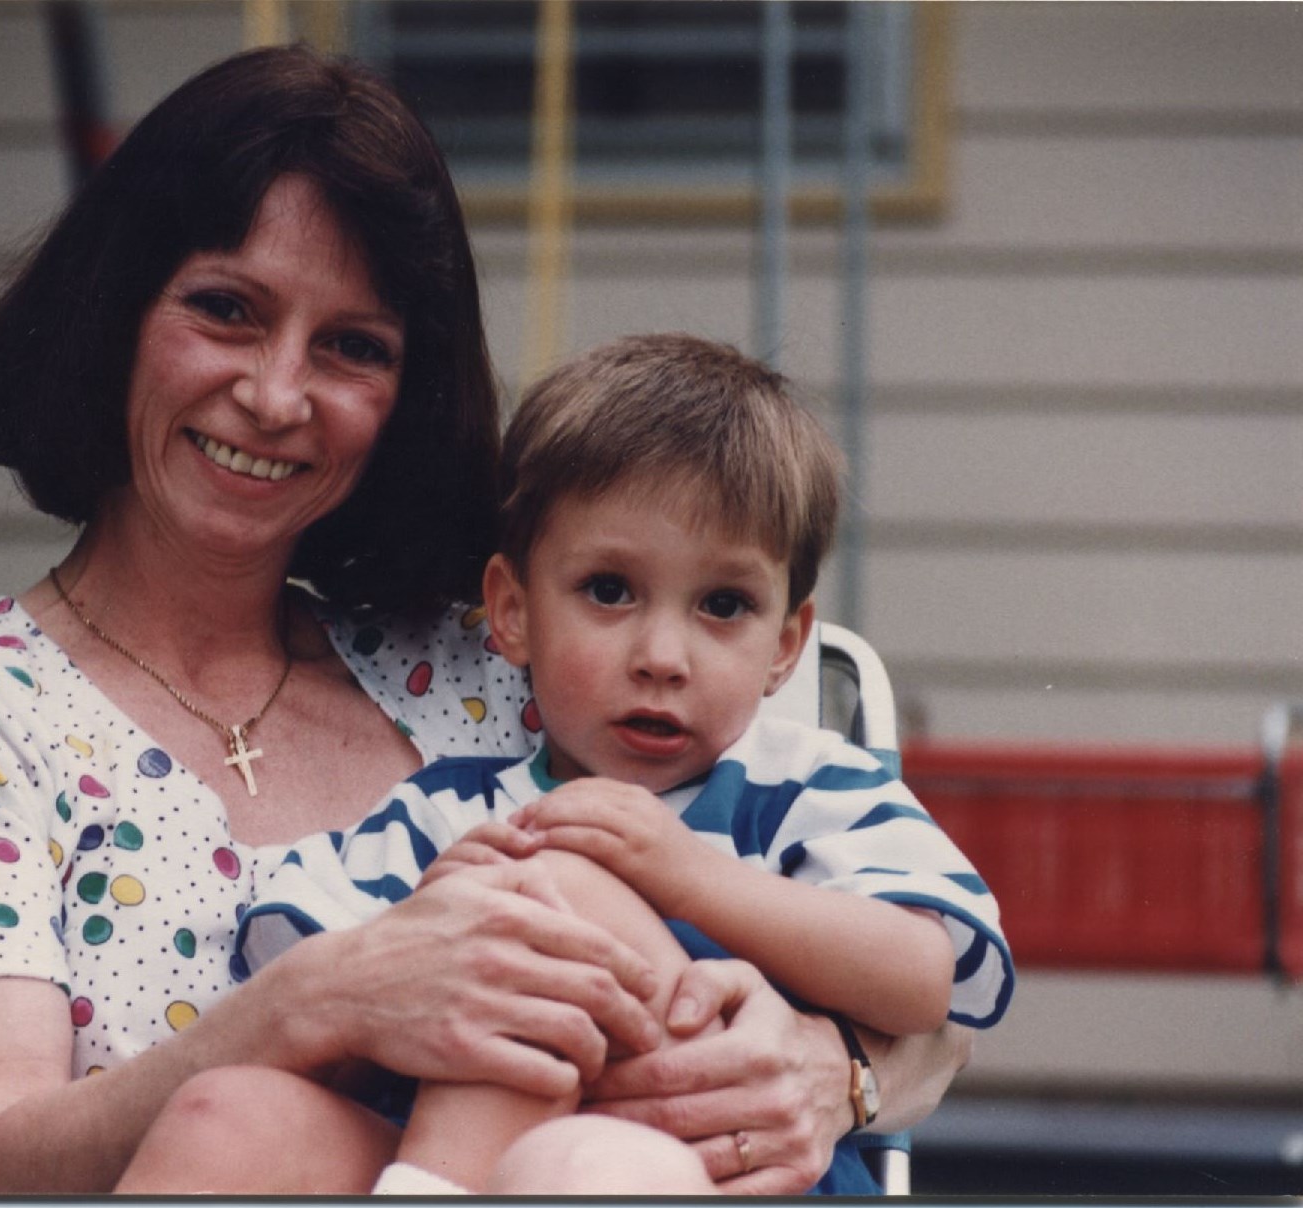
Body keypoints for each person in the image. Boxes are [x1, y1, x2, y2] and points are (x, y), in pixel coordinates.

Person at [0, 45, 974, 1195]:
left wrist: (835, 1073)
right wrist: (312, 1003)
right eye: (226, 309)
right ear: (114, 313)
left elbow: (928, 985)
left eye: (352, 347)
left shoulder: (509, 664)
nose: (275, 395)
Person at [120, 334, 1014, 1195]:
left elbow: (922, 976)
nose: (663, 656)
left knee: (558, 906)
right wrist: (435, 927)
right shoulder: (445, 817)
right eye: (609, 591)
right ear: (512, 611)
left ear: (785, 647)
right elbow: (307, 991)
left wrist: (686, 875)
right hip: (466, 1154)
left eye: (723, 605)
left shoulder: (805, 790)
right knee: (229, 1117)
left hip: (718, 1166)